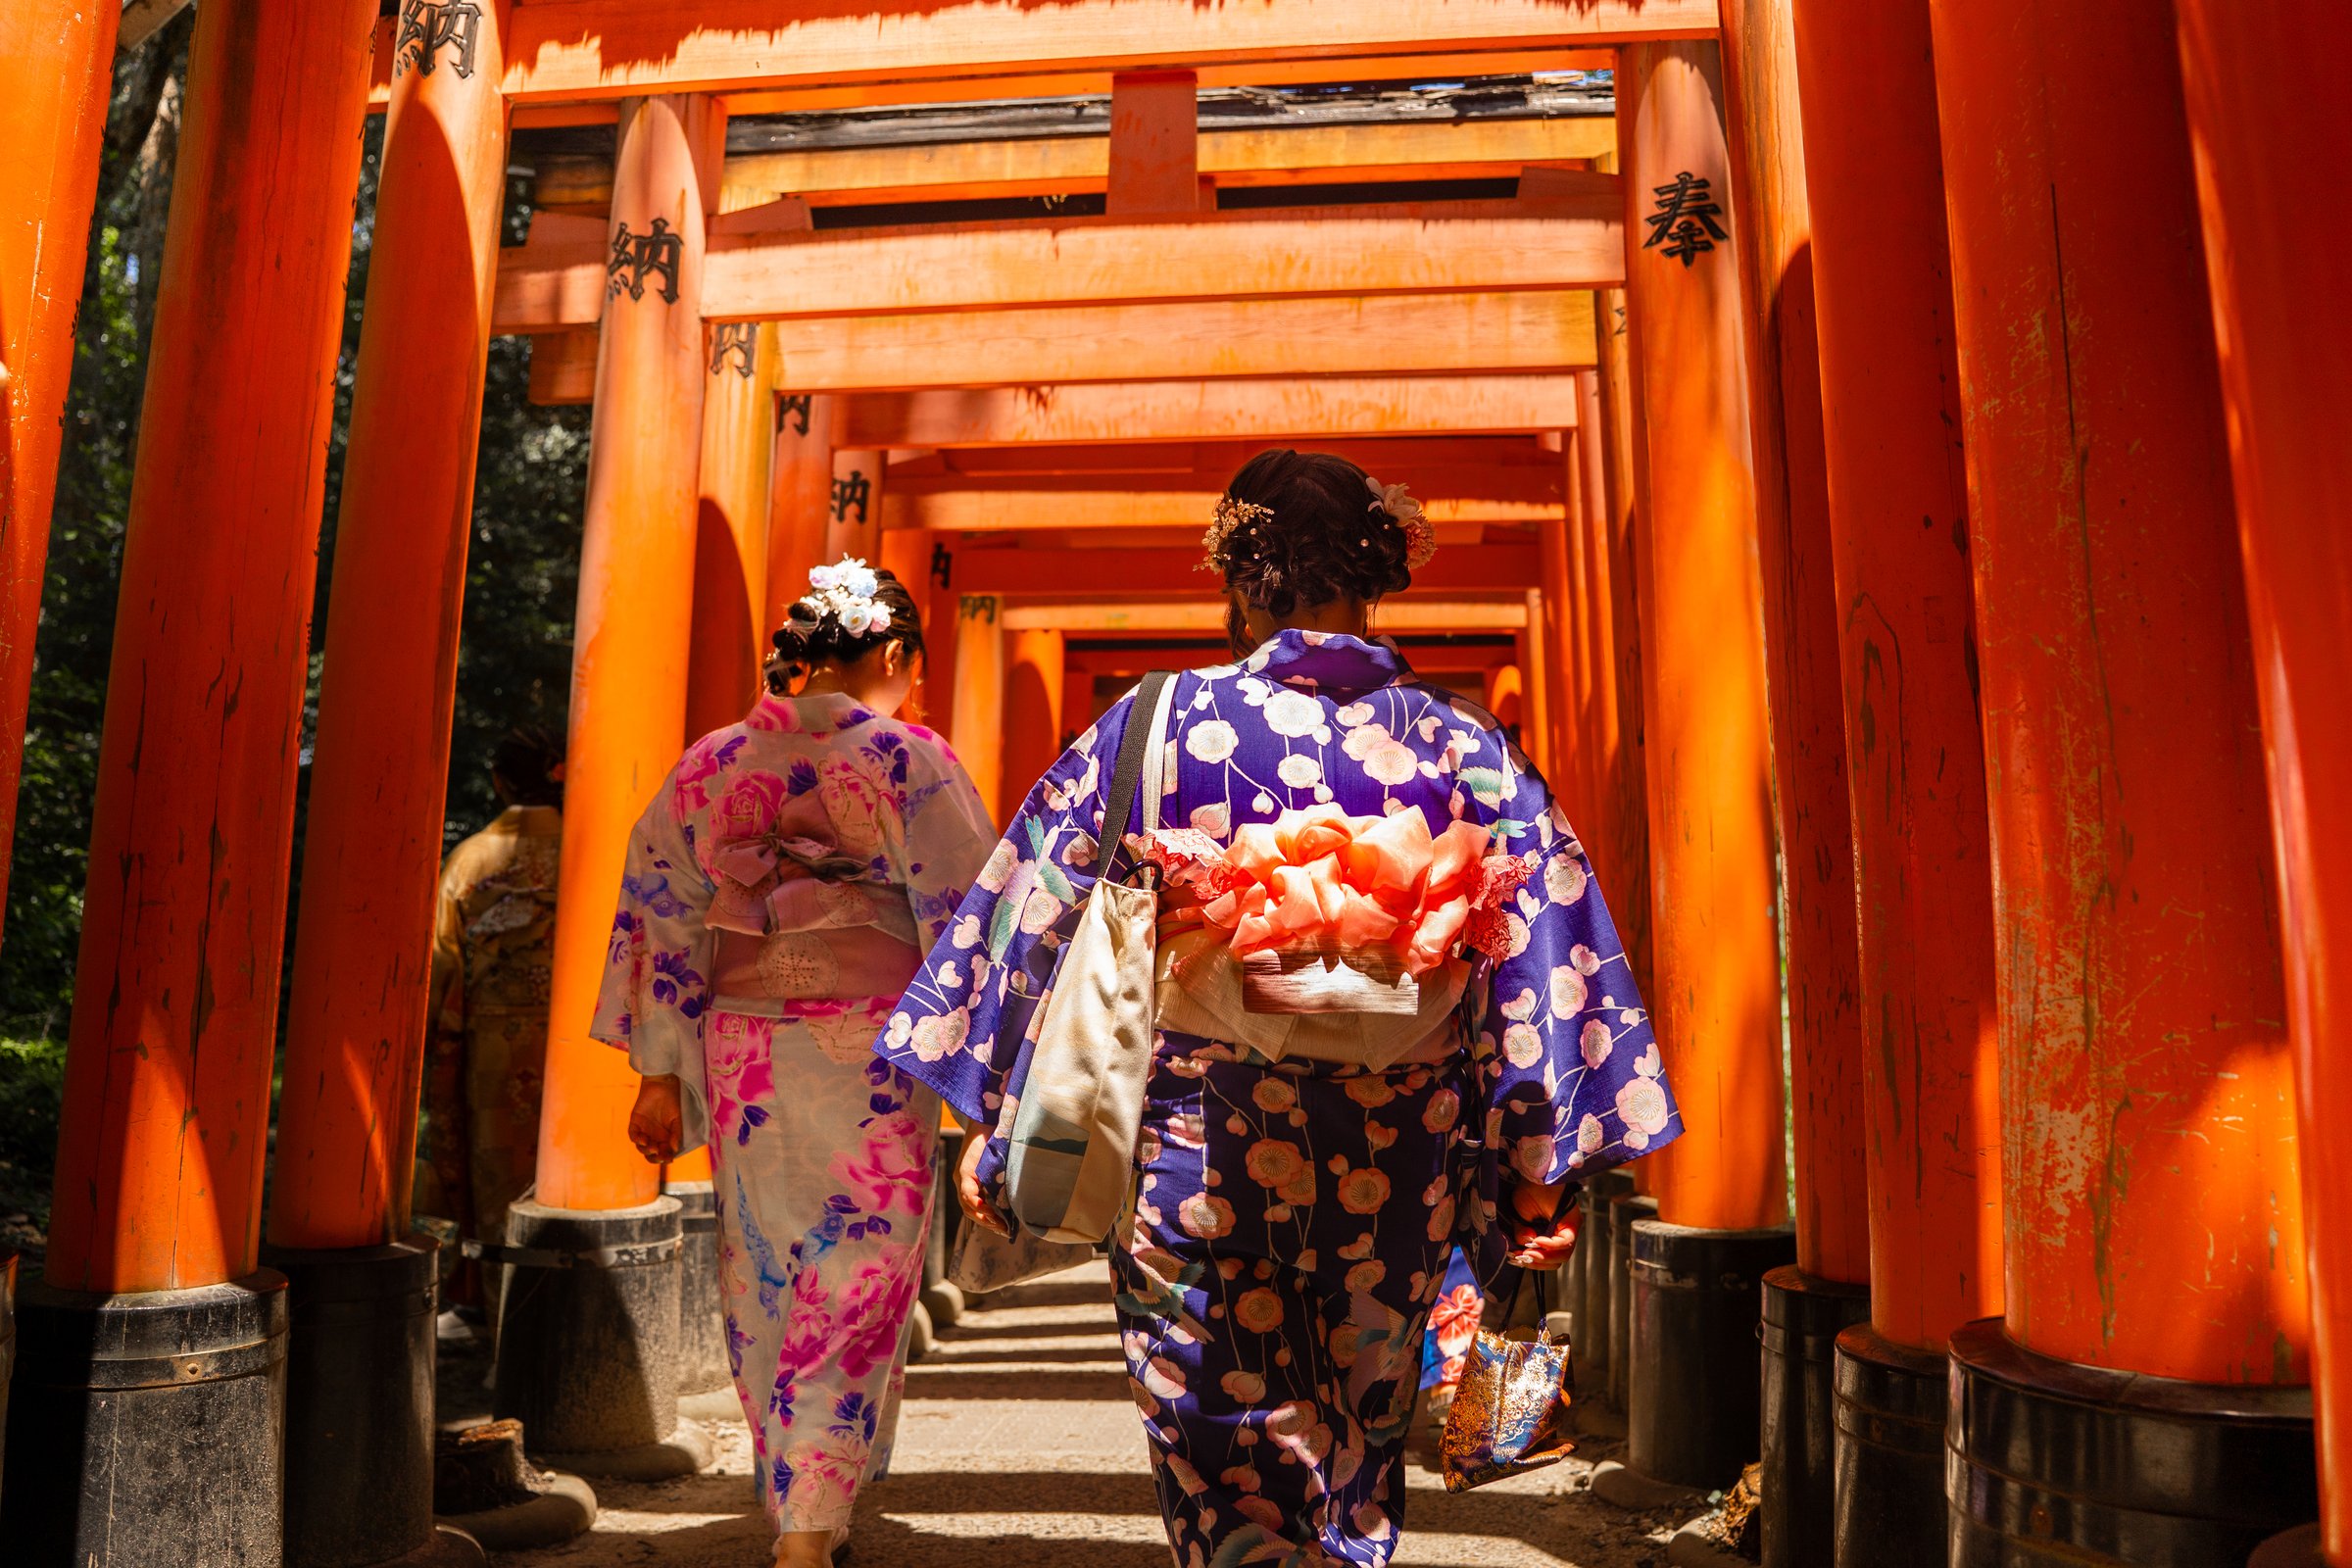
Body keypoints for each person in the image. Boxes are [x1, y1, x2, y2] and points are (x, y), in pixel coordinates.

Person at [875, 451, 1683, 1568]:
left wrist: (1000, 1107)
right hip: (1402, 1140)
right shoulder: (1464, 748)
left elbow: (1046, 910)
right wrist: (1538, 1150)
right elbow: (1540, 952)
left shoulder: (1156, 726)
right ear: (1382, 574)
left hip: (1203, 1134)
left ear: (1242, 582)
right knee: (1359, 1411)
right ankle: (1342, 1544)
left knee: (1210, 1403)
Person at [590, 561, 996, 1568]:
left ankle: (801, 1488)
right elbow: (971, 913)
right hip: (874, 1045)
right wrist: (982, 1079)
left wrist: (658, 1069)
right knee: (859, 1265)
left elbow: (663, 914)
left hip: (747, 1046)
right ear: (893, 655)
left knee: (764, 1267)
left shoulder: (710, 763)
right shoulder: (913, 761)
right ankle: (812, 1517)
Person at [414, 725, 565, 1321]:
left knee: (496, 1168)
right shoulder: (585, 846)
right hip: (574, 1041)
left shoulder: (472, 857)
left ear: (501, 782)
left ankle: (502, 1308)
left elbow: (442, 960)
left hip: (493, 1049)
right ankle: (562, 1305)